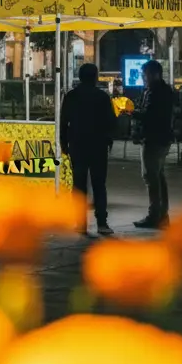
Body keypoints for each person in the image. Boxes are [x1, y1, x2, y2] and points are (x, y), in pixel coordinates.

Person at [61, 63, 118, 236]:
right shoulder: (102, 96)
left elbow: (63, 121)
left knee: (78, 185)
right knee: (99, 184)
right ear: (95, 77)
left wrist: (64, 143)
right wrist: (109, 140)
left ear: (79, 77)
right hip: (98, 145)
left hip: (77, 145)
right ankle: (102, 223)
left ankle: (80, 223)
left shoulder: (71, 96)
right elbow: (111, 122)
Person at [133, 60, 176, 228]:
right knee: (158, 176)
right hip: (161, 138)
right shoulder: (161, 90)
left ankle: (154, 215)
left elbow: (150, 115)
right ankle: (162, 214)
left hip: (154, 139)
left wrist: (132, 112)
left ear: (154, 74)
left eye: (145, 74)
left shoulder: (156, 92)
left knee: (151, 176)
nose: (144, 78)